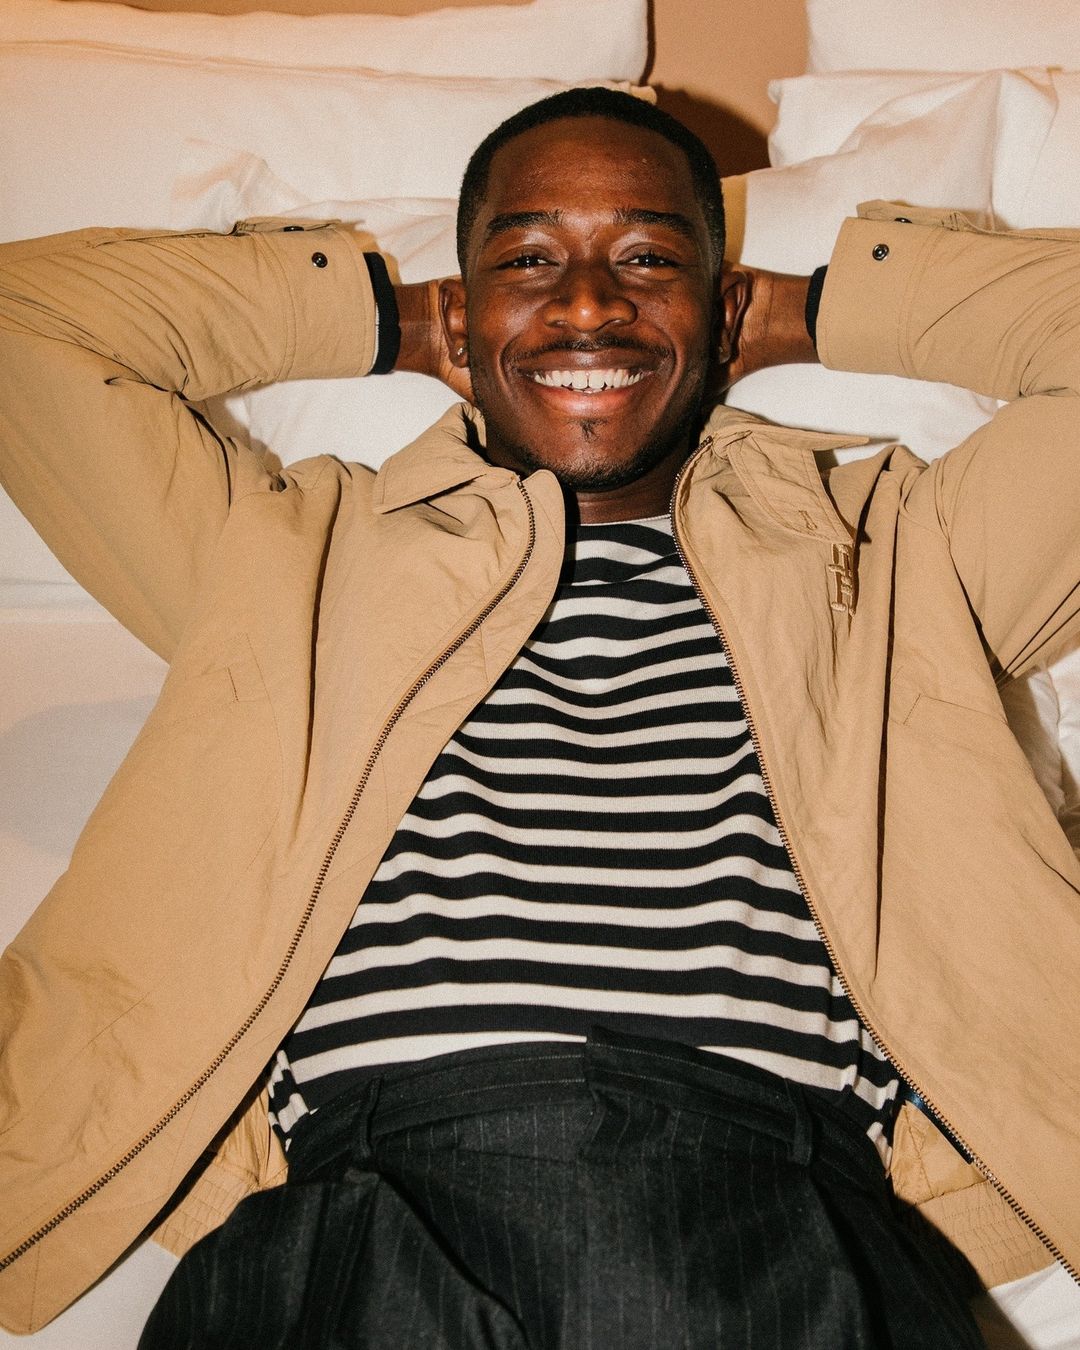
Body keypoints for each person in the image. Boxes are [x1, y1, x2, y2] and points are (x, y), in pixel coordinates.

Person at [0, 86, 1078, 1346]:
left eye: (648, 260)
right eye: (527, 261)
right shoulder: (285, 556)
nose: (588, 305)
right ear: (464, 308)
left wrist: (797, 314)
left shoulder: (895, 555)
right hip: (365, 1214)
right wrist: (402, 323)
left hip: (781, 1222)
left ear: (722, 306)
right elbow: (27, 323)